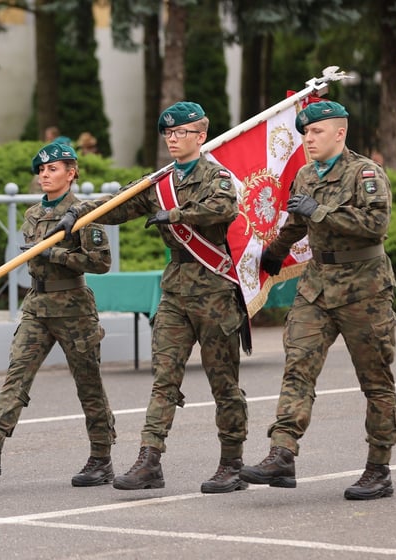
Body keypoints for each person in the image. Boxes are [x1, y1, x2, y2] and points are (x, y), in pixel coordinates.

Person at [49, 102, 249, 493]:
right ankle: (149, 460)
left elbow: (224, 208)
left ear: (201, 136)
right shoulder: (160, 182)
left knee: (223, 382)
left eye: (182, 133)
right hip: (174, 289)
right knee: (164, 378)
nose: (174, 139)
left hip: (214, 289)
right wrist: (79, 214)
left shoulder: (217, 176)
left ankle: (232, 463)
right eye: (169, 134)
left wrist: (175, 216)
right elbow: (119, 205)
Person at [239, 101, 396, 501]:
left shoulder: (365, 173)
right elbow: (296, 223)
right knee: (298, 368)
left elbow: (375, 226)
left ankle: (378, 469)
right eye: (305, 134)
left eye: (316, 133)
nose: (308, 140)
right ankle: (282, 453)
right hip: (317, 287)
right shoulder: (306, 175)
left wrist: (322, 211)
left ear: (339, 134)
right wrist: (272, 254)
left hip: (364, 290)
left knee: (375, 381)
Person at [0, 142, 117, 487]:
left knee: (89, 385)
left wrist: (57, 255)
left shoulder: (83, 212)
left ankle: (101, 457)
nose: (44, 175)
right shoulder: (33, 215)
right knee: (17, 375)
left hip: (73, 308)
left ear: (72, 173)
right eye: (41, 170)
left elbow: (101, 262)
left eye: (52, 169)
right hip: (37, 306)